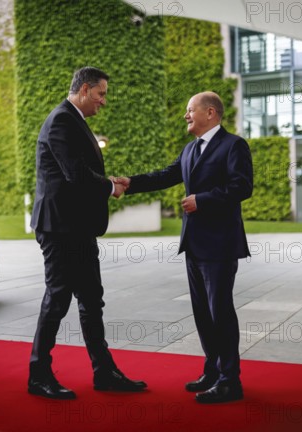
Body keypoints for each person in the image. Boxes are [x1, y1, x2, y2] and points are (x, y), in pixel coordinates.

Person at [114, 91, 253, 404]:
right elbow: (166, 175)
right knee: (202, 313)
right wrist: (130, 182)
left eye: (190, 110)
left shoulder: (234, 146)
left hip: (220, 245)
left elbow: (242, 186)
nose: (186, 115)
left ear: (211, 112)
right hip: (193, 245)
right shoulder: (190, 150)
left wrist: (202, 200)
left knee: (220, 313)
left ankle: (231, 381)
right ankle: (213, 371)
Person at [28, 66, 147, 400]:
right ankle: (38, 375)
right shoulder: (62, 120)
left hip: (76, 229)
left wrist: (111, 183)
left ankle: (104, 372)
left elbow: (82, 174)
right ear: (83, 89)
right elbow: (76, 175)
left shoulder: (73, 120)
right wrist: (110, 186)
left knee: (92, 300)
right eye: (101, 94)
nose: (104, 101)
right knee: (57, 299)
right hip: (59, 229)